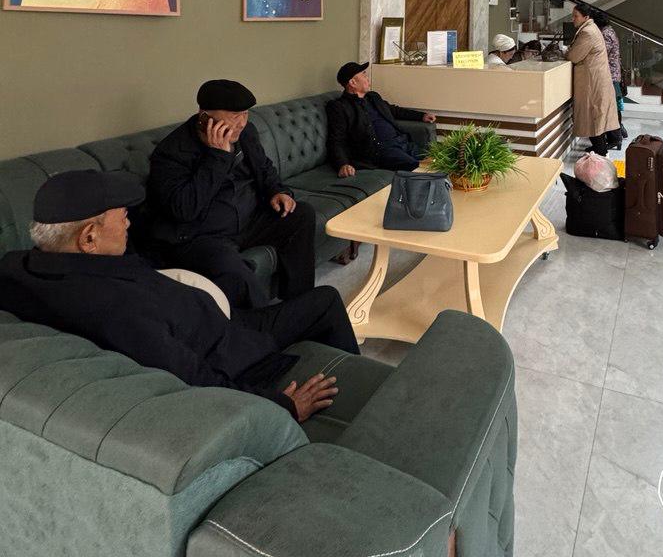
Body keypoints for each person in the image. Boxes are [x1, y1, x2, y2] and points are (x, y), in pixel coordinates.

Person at [0, 170, 358, 425]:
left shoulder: (22, 266)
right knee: (326, 300)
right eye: (122, 218)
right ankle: (358, 388)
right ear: (89, 238)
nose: (128, 224)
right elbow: (194, 378)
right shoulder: (116, 309)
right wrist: (286, 407)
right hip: (232, 349)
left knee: (296, 292)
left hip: (213, 321)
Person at [145, 79, 316, 309]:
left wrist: (277, 191)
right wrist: (217, 157)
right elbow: (184, 209)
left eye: (245, 114)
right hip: (201, 235)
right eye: (234, 116)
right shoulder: (171, 152)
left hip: (249, 220)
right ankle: (262, 323)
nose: (242, 123)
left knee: (301, 214)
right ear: (204, 117)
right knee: (236, 273)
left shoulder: (246, 133)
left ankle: (300, 303)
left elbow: (264, 167)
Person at [327, 62, 436, 178]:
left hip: (401, 142)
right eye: (364, 74)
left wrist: (421, 116)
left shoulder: (373, 97)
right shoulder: (339, 107)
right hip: (381, 150)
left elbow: (394, 110)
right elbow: (336, 139)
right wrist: (342, 164)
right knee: (417, 167)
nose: (367, 78)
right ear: (353, 82)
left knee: (439, 159)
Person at [566, 4, 619, 156]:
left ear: (586, 17)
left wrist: (566, 52)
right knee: (596, 117)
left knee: (593, 116)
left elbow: (574, 56)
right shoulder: (591, 28)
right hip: (595, 79)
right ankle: (600, 149)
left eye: (576, 16)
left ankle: (600, 153)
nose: (573, 19)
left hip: (592, 81)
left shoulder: (587, 32)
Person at [592, 10, 627, 150]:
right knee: (612, 107)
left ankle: (616, 137)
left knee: (610, 108)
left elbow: (601, 53)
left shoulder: (605, 33)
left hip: (609, 75)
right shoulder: (609, 30)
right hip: (612, 74)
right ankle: (617, 136)